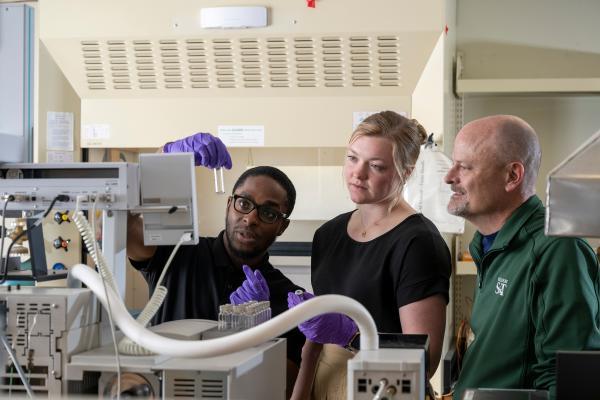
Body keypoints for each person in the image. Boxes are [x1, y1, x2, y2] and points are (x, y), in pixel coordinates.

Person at [288, 111, 452, 399]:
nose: (357, 173)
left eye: (375, 166)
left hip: (383, 388)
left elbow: (423, 362)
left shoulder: (418, 243)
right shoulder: (328, 235)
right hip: (325, 381)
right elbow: (315, 342)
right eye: (352, 158)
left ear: (407, 171)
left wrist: (351, 337)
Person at [126, 132, 305, 396]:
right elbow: (120, 229)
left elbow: (284, 388)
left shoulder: (288, 300)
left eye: (268, 212)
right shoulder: (179, 253)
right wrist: (164, 160)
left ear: (282, 226)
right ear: (229, 205)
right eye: (244, 203)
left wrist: (260, 337)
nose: (251, 218)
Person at [444, 115, 600, 400]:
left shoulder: (557, 250)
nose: (449, 177)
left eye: (464, 167)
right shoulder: (487, 246)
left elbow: (569, 377)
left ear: (512, 176)